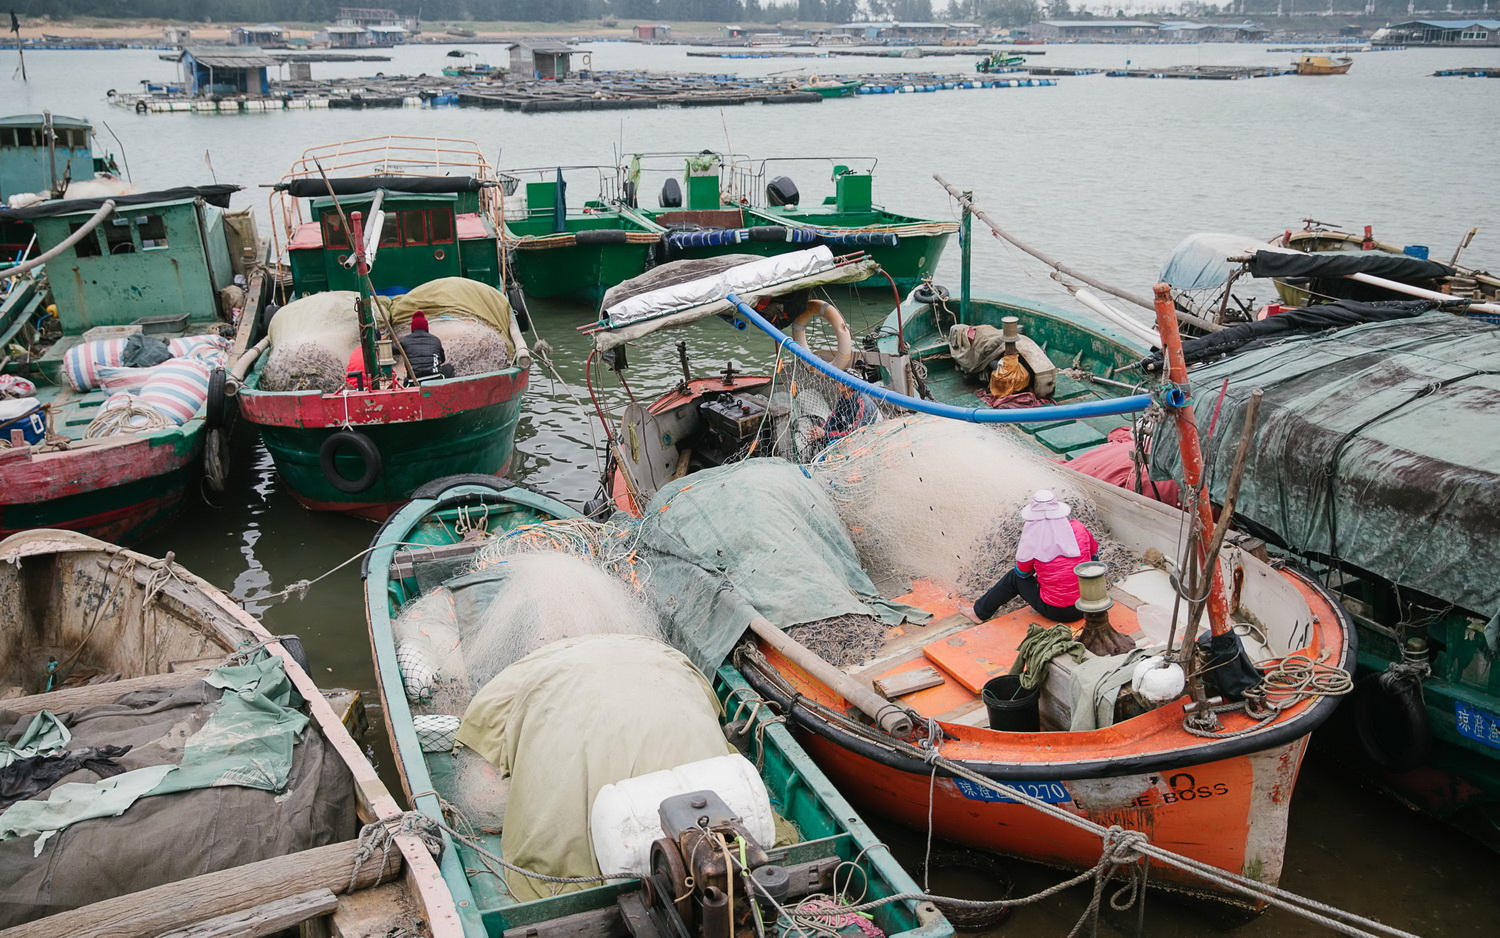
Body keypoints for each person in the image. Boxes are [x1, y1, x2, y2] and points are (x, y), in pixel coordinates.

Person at [974, 490, 1099, 623]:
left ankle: (978, 613)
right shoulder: (1079, 528)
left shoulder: (1033, 539)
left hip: (1059, 612)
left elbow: (1022, 574)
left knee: (1013, 578)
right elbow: (1093, 557)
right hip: (1089, 603)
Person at [808, 365, 879, 445]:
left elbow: (856, 434)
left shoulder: (863, 404)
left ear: (848, 385)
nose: (838, 382)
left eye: (841, 380)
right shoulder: (844, 398)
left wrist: (825, 434)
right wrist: (820, 430)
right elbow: (835, 418)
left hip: (872, 438)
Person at [399, 311, 453, 380]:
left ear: (412, 328)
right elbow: (442, 360)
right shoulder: (435, 340)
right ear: (426, 327)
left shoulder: (405, 340)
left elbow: (392, 350)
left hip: (413, 382)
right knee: (449, 367)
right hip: (436, 379)